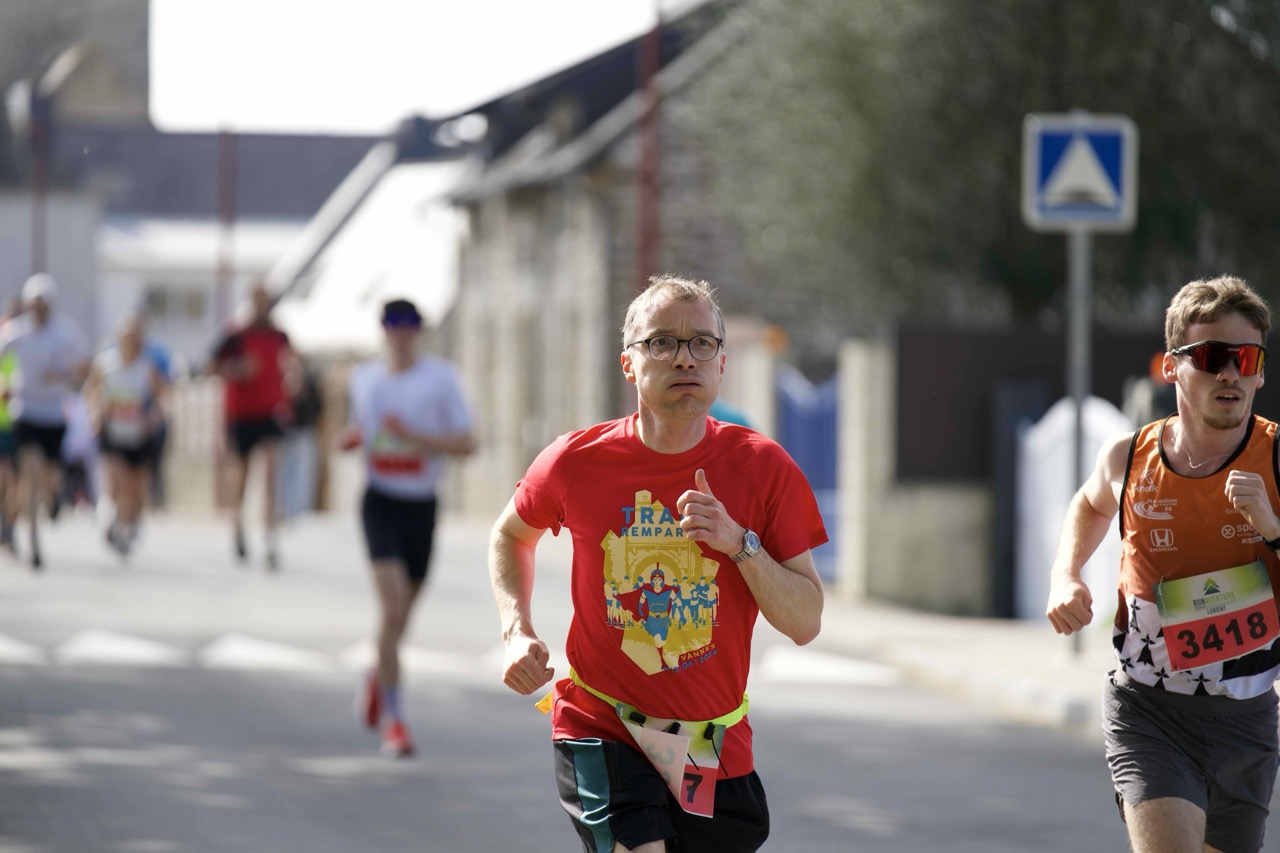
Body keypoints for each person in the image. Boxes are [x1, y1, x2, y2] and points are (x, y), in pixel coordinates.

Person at [488, 275, 826, 852]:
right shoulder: (575, 461)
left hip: (710, 741)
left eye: (702, 343)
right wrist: (516, 630)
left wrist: (739, 543)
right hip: (603, 724)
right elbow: (510, 534)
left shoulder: (764, 469)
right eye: (662, 342)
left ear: (722, 364)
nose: (684, 358)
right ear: (629, 363)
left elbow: (805, 622)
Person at [1046, 275, 1280, 853]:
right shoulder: (1129, 458)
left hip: (1246, 717)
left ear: (1261, 372)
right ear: (1172, 366)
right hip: (1148, 708)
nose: (1230, 374)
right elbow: (1089, 503)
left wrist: (1273, 527)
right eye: (1213, 357)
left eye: (1246, 358)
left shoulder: (1276, 457)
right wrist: (1066, 574)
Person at [338, 298, 475, 757]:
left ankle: (377, 672)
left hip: (421, 506)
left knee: (399, 620)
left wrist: (414, 437)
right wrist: (352, 438)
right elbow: (359, 428)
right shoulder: (364, 378)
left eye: (409, 325)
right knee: (392, 608)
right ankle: (394, 721)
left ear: (419, 331)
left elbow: (468, 443)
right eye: (392, 325)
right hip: (380, 502)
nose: (400, 333)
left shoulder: (441, 379)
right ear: (382, 331)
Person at [0, 273, 89, 570]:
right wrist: (4, 383)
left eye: (43, 303)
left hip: (54, 414)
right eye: (34, 303)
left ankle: (43, 507)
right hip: (26, 412)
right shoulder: (16, 332)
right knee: (31, 470)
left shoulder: (65, 332)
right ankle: (32, 538)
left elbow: (85, 365)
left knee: (48, 479)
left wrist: (62, 373)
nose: (39, 308)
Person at [210, 282, 299, 570]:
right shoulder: (236, 334)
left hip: (270, 411)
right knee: (243, 474)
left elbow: (292, 363)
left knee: (272, 470)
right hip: (241, 413)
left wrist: (293, 380)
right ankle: (237, 524)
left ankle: (270, 537)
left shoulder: (279, 334)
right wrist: (238, 369)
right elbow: (211, 367)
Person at [84, 312, 166, 557]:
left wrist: (152, 419)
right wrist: (95, 414)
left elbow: (161, 399)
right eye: (126, 337)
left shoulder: (147, 367)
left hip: (137, 435)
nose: (130, 342)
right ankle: (110, 520)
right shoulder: (105, 363)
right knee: (115, 479)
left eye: (135, 337)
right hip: (112, 432)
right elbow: (91, 391)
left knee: (134, 487)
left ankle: (129, 523)